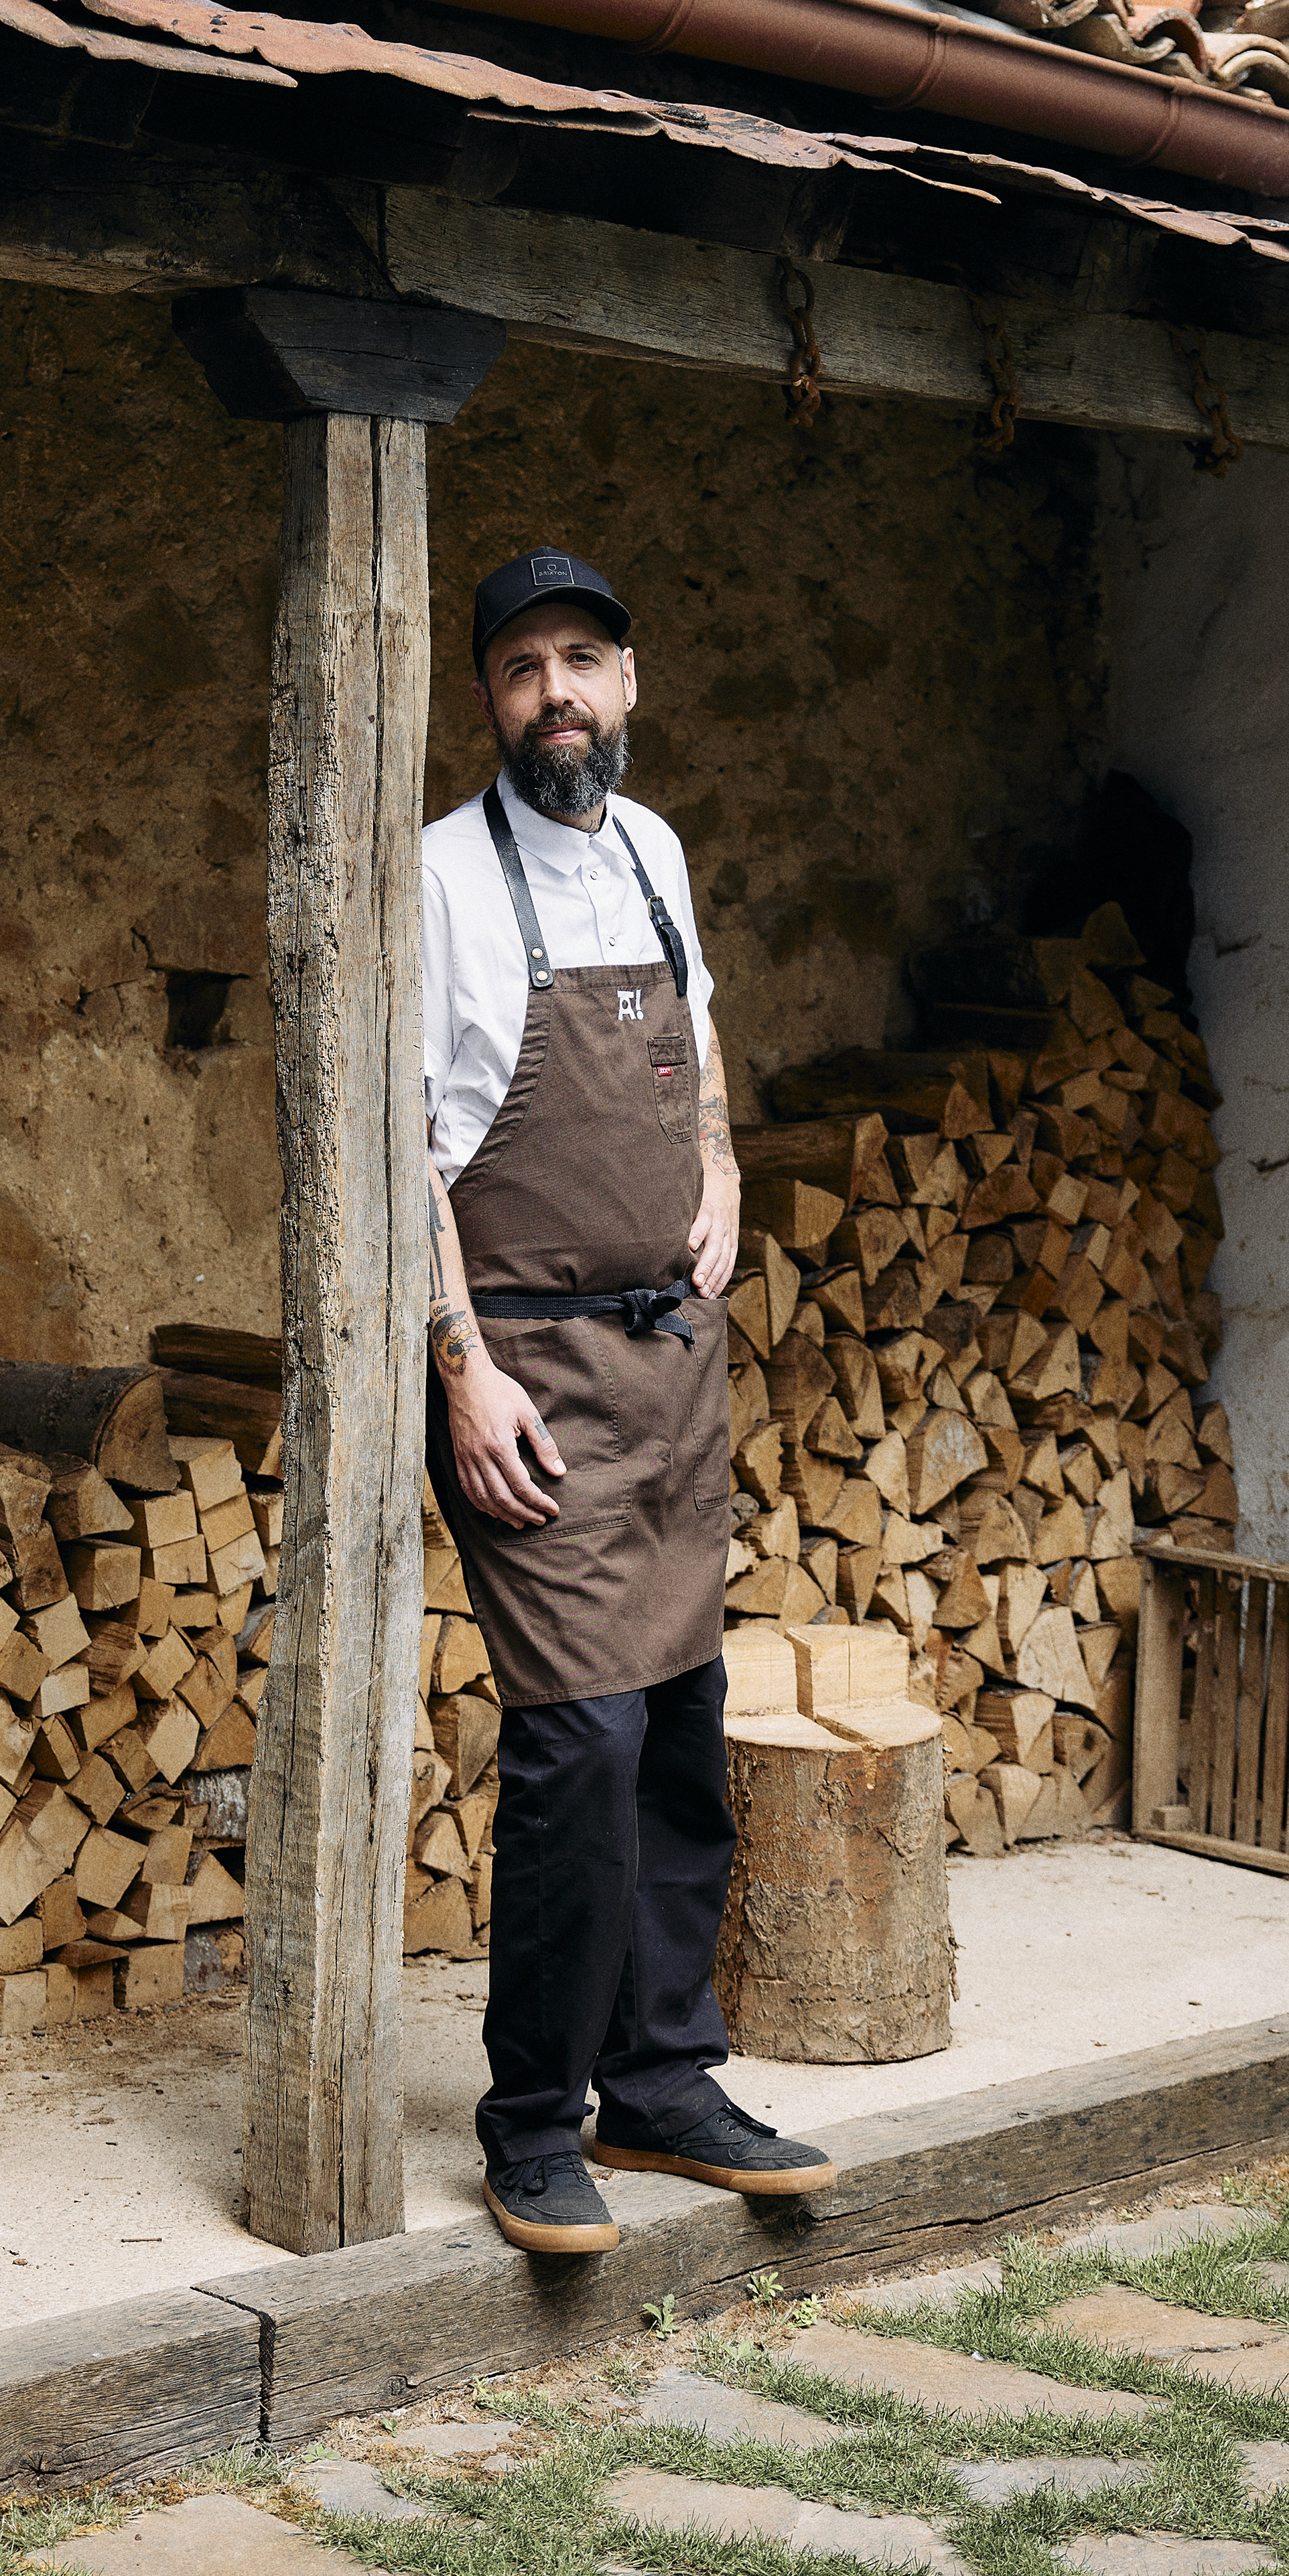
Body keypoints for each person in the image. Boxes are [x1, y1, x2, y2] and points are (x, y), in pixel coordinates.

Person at [423, 547, 837, 2256]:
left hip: (669, 1362)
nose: (557, 700)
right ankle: (533, 2120)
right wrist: (463, 1374)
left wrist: (725, 1154)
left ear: (631, 681)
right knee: (578, 1737)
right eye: (522, 672)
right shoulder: (438, 877)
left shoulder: (656, 853)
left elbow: (704, 1048)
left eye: (582, 662)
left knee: (676, 1718)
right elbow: (400, 1154)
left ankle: (661, 2079)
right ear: (490, 704)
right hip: (521, 1368)